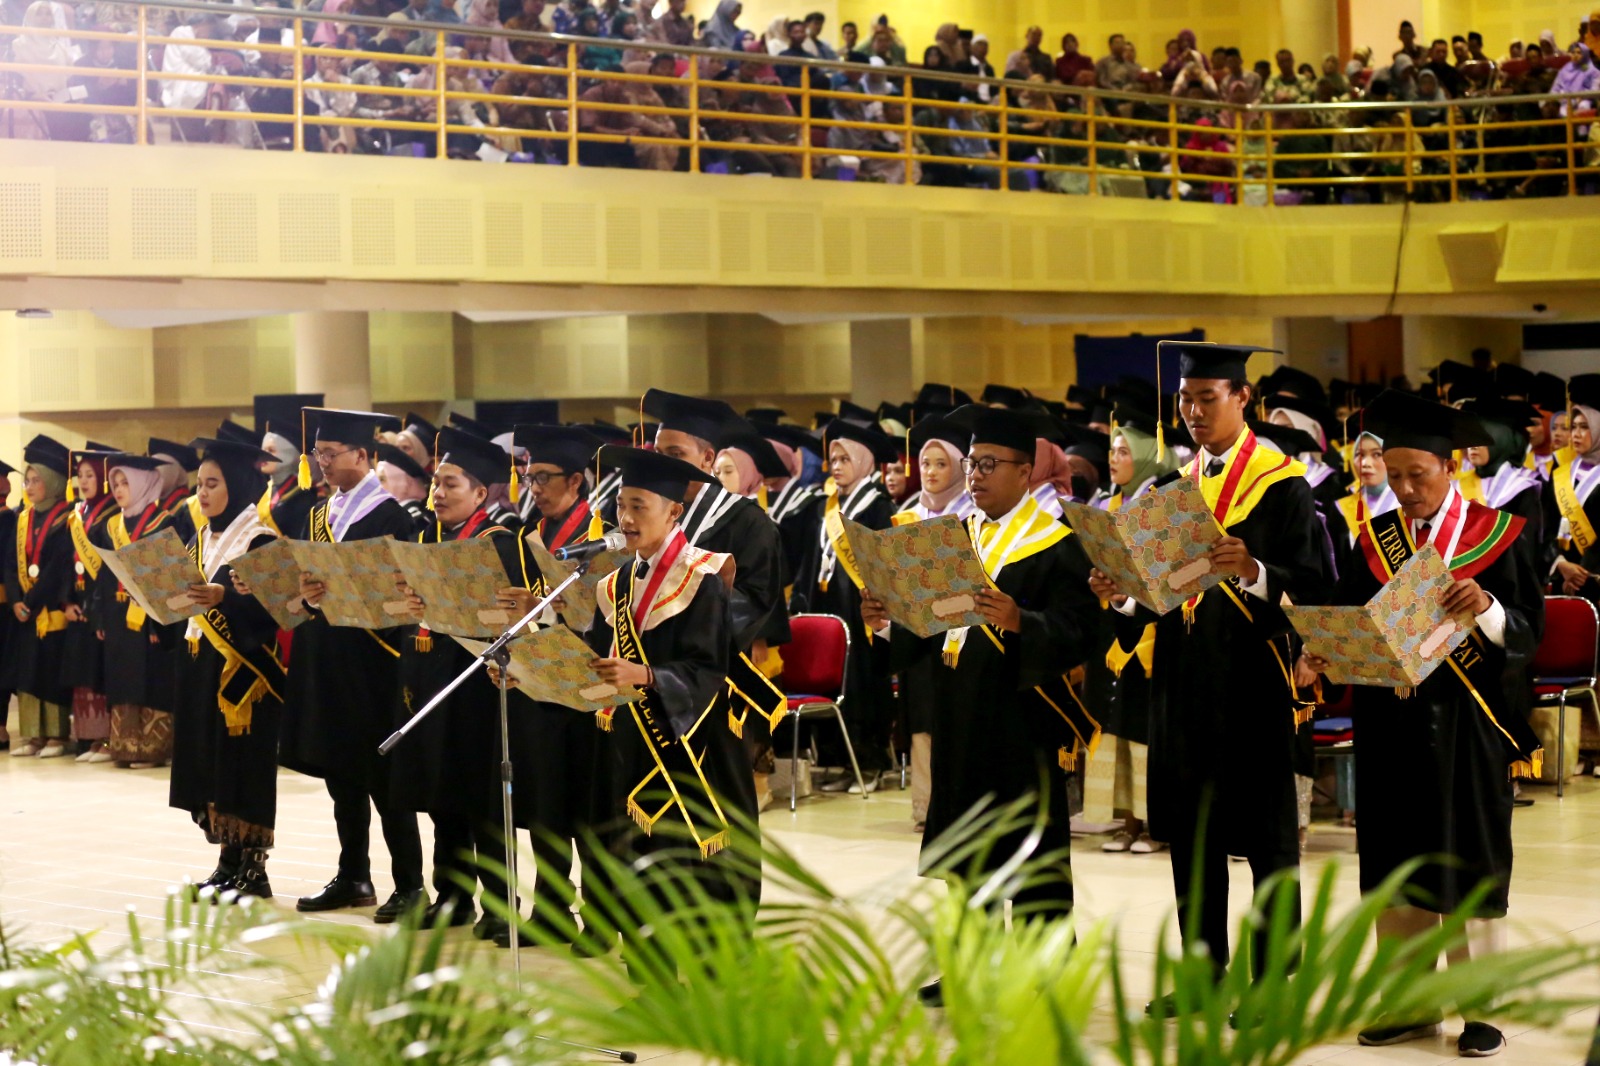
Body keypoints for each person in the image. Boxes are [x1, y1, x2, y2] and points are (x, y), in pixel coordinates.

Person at [1089, 343, 1332, 1011]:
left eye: (1207, 398)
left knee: (1268, 845)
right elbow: (1156, 593)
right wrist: (1121, 594)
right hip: (1181, 680)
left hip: (1254, 682)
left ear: (1241, 398)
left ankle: (1276, 984)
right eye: (1185, 400)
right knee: (1192, 843)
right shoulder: (1169, 487)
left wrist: (1253, 569)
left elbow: (1311, 589)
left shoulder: (1283, 484)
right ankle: (1203, 975)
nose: (1193, 411)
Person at [1303, 391, 1543, 1059]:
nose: (1405, 489)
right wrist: (1322, 651)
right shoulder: (1375, 542)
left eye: (1419, 475)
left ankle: (1483, 1009)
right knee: (1396, 861)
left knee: (1469, 861)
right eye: (1394, 473)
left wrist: (1489, 607)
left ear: (1451, 466)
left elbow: (1532, 630)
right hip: (1390, 724)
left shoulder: (1500, 536)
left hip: (1470, 727)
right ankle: (1409, 1004)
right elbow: (1354, 619)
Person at [863, 404, 1099, 1008]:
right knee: (967, 844)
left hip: (1023, 716)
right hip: (960, 710)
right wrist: (889, 620)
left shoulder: (1057, 542)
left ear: (1026, 472)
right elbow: (931, 626)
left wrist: (1026, 621)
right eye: (973, 463)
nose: (976, 475)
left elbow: (1082, 629)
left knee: (1030, 844)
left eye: (990, 464)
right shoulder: (956, 539)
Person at [581, 446, 761, 954]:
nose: (627, 517)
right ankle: (651, 982)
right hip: (626, 746)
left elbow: (710, 668)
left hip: (690, 745)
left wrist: (647, 674)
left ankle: (709, 982)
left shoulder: (701, 576)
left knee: (688, 869)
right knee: (632, 864)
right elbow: (596, 657)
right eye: (621, 505)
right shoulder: (612, 584)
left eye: (640, 505)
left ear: (674, 512)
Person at [389, 427, 544, 940]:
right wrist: (412, 607)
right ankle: (453, 895)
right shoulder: (428, 540)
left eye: (450, 484)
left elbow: (511, 615)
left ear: (481, 493)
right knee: (440, 794)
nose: (438, 493)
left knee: (482, 801)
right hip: (429, 678)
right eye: (435, 483)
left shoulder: (500, 544)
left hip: (478, 684)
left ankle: (500, 905)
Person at [274, 407, 426, 922]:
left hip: (374, 661)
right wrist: (307, 590)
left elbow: (402, 593)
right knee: (342, 775)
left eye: (331, 455)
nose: (322, 464)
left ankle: (409, 883)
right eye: (319, 455)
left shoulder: (391, 517)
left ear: (363, 456)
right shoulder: (319, 514)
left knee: (385, 780)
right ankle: (353, 874)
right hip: (327, 657)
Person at [169, 437, 284, 900]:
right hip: (202, 666)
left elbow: (276, 611)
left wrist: (229, 598)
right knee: (213, 767)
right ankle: (227, 862)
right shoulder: (200, 537)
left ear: (236, 485)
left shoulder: (262, 538)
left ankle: (254, 870)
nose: (203, 493)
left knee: (244, 769)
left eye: (212, 484)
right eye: (199, 484)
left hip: (247, 675)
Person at [645, 392, 789, 738]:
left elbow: (755, 600)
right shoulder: (651, 518)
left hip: (712, 677)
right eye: (660, 454)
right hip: (651, 671)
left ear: (708, 458)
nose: (665, 464)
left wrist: (684, 620)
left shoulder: (747, 522)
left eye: (676, 455)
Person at [1082, 410, 1177, 854]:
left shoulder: (1159, 501)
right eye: (1111, 450)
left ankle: (1156, 821)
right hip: (1116, 621)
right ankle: (1129, 821)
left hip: (1153, 633)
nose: (1114, 458)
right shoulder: (1110, 505)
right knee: (1117, 724)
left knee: (1144, 728)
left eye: (1123, 450)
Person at [790, 418, 899, 789]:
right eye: (832, 459)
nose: (835, 465)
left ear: (864, 461)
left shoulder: (880, 508)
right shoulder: (824, 506)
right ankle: (840, 761)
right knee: (836, 683)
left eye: (844, 459)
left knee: (863, 683)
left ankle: (870, 763)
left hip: (862, 610)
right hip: (828, 604)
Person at [886, 412, 974, 830]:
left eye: (941, 464)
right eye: (925, 464)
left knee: (953, 721)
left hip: (959, 635)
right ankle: (925, 805)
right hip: (917, 636)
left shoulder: (973, 514)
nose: (932, 472)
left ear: (959, 467)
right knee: (920, 721)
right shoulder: (909, 515)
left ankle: (956, 804)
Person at [88, 454, 179, 769]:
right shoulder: (110, 525)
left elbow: (169, 576)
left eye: (125, 482)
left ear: (144, 483)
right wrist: (99, 616)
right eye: (115, 483)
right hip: (117, 615)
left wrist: (160, 624)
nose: (119, 489)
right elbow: (102, 575)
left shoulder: (164, 521)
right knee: (123, 677)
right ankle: (126, 747)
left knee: (151, 678)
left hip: (151, 617)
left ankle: (153, 749)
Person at [2, 436, 75, 760]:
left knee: (49, 673)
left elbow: (58, 569)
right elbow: (9, 564)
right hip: (25, 613)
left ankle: (56, 736)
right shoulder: (23, 519)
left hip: (48, 612)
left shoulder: (65, 519)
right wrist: (17, 599)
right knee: (27, 674)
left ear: (53, 481)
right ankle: (33, 735)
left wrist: (30, 602)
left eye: (36, 480)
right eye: (27, 481)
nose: (29, 487)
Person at [62, 448, 119, 762]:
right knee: (83, 672)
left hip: (102, 606)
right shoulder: (78, 512)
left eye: (90, 475)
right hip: (79, 604)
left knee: (102, 674)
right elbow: (64, 562)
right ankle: (88, 738)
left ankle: (107, 741)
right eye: (80, 475)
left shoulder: (111, 515)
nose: (83, 481)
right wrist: (66, 601)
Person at [1551, 375, 1600, 604]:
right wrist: (1560, 563)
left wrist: (1581, 574)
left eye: (1584, 427)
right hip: (1559, 576)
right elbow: (1544, 526)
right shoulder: (1560, 473)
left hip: (1593, 579)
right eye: (1574, 428)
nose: (1576, 434)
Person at [255, 393, 325, 537]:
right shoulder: (262, 491)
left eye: (271, 450)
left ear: (290, 456)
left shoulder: (303, 497)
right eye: (263, 450)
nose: (264, 455)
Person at [1334, 429, 1398, 545]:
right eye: (1359, 454)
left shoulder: (1409, 503)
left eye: (1377, 454)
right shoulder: (1343, 509)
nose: (1365, 463)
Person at [375, 443, 431, 533]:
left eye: (382, 479)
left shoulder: (414, 518)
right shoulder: (395, 513)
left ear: (403, 481)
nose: (378, 486)